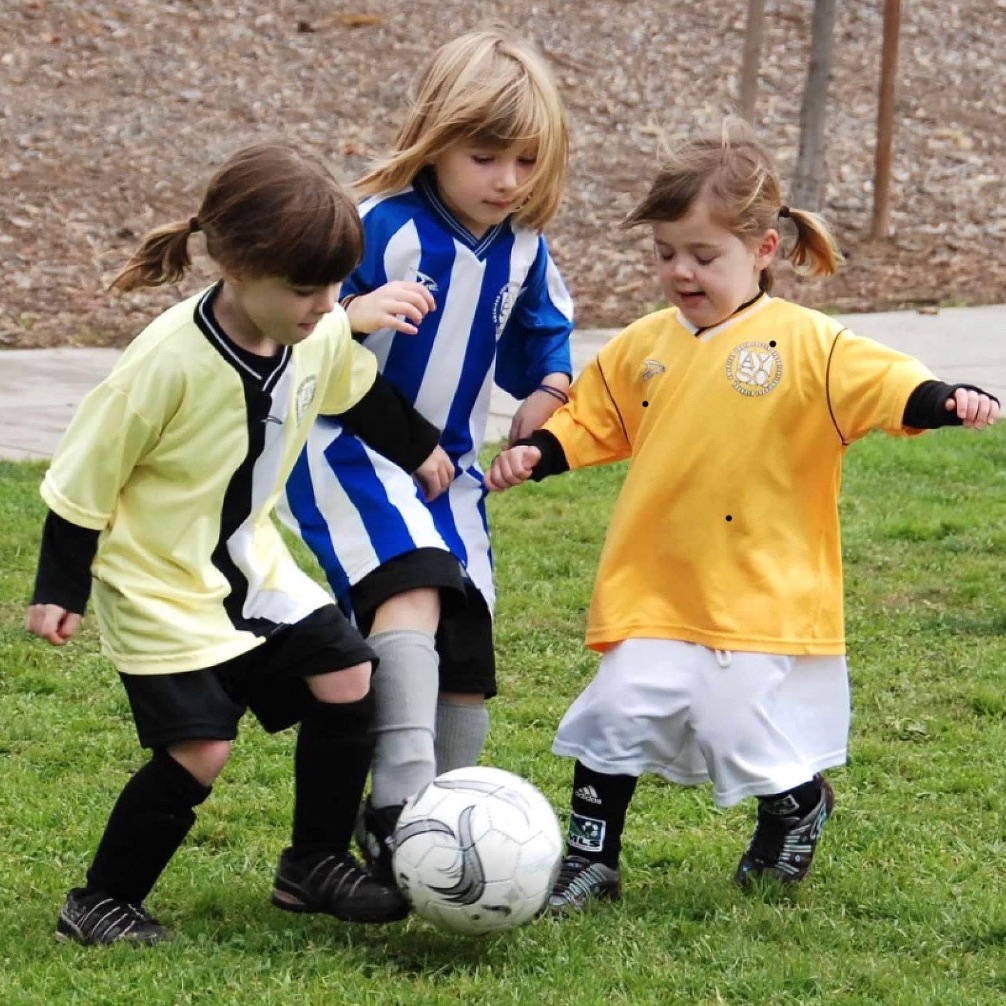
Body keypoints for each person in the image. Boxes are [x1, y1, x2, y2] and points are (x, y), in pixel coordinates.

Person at [485, 120, 1000, 912]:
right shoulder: (643, 344)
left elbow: (888, 386)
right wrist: (541, 452)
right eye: (665, 254)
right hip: (656, 582)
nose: (680, 272)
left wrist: (944, 401)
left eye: (703, 256)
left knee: (739, 732)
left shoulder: (810, 345)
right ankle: (593, 860)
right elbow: (598, 417)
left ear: (763, 249)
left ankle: (795, 809)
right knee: (612, 713)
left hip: (761, 589)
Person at [25, 142, 457, 945]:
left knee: (346, 674)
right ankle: (100, 902)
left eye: (335, 285)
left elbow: (355, 391)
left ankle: (314, 864)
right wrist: (60, 589)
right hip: (158, 586)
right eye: (306, 287)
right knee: (201, 752)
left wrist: (421, 448)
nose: (329, 304)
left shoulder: (314, 331)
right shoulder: (163, 364)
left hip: (252, 566)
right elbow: (81, 482)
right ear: (235, 265)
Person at [280, 28, 574, 879]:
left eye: (526, 159)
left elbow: (547, 343)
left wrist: (544, 403)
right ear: (436, 141)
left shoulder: (524, 247)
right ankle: (399, 805)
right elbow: (294, 324)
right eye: (485, 156)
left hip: (452, 475)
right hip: (353, 450)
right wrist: (353, 312)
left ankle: (444, 835)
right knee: (410, 585)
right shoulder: (375, 227)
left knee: (468, 649)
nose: (508, 180)